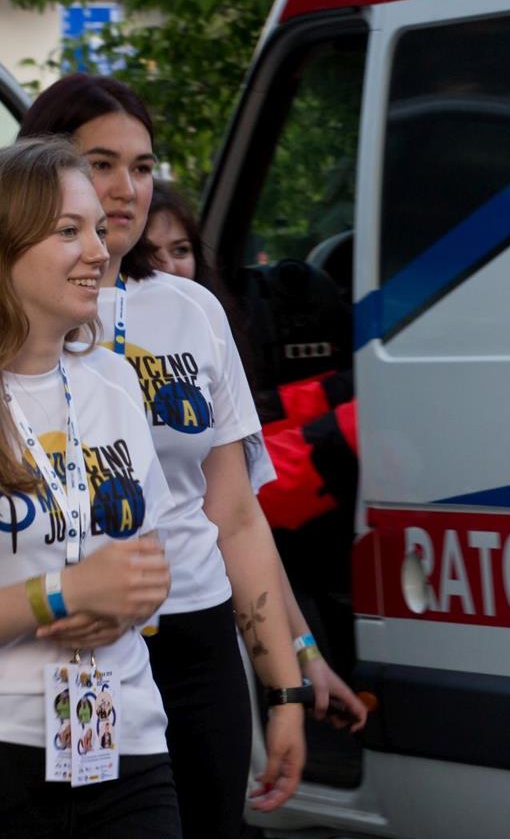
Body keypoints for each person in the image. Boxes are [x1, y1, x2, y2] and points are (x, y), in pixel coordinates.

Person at [20, 75, 313, 837]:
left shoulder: (191, 309)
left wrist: (285, 685)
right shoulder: (37, 328)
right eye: (101, 164)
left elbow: (236, 515)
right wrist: (62, 595)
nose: (126, 189)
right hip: (62, 651)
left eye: (143, 167)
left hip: (191, 634)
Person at [136, 176, 367, 727]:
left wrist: (303, 657)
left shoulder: (209, 335)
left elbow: (242, 524)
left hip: (208, 631)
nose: (169, 269)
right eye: (149, 257)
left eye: (181, 250)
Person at [0, 136, 177, 837]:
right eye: (68, 231)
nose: (99, 252)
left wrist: (128, 599)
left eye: (99, 231)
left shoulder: (113, 379)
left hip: (124, 736)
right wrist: (62, 594)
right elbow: (77, 585)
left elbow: (152, 561)